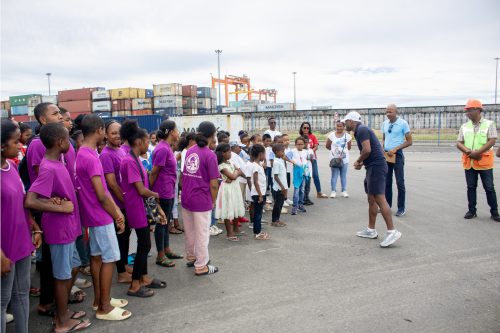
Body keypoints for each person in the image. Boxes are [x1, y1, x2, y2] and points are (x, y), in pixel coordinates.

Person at [25, 123, 91, 333]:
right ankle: (62, 322)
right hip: (59, 229)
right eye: (67, 139)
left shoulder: (57, 162)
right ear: (60, 142)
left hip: (69, 228)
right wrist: (61, 207)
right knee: (62, 275)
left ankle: (62, 310)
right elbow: (30, 200)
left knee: (72, 267)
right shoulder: (48, 167)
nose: (70, 143)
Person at [75, 114, 131, 320]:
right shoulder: (91, 157)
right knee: (109, 259)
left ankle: (99, 299)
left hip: (91, 216)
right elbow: (102, 193)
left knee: (97, 258)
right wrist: (117, 214)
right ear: (100, 130)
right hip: (101, 216)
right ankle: (104, 308)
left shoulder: (82, 153)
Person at [120, 120, 168, 297]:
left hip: (140, 206)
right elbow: (140, 190)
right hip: (135, 208)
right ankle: (134, 285)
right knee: (144, 245)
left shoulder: (135, 159)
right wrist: (156, 195)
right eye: (147, 141)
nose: (149, 144)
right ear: (139, 141)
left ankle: (144, 277)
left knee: (145, 244)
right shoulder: (129, 161)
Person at [1, 119, 40, 333]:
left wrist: (34, 226)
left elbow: (21, 202)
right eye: (15, 142)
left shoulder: (13, 166)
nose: (19, 146)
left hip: (22, 241)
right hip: (3, 247)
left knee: (22, 294)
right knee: (2, 300)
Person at [343, 111, 402, 247]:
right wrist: (363, 163)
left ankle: (392, 231)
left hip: (376, 167)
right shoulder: (362, 130)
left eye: (345, 121)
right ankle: (371, 230)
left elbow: (367, 150)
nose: (344, 124)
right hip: (373, 166)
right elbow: (377, 150)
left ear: (351, 121)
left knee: (379, 198)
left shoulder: (361, 129)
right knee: (371, 198)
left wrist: (358, 161)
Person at [181, 121, 220, 275]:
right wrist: (213, 200)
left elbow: (183, 175)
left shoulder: (190, 151)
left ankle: (192, 256)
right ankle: (201, 266)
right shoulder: (210, 155)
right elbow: (214, 183)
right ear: (212, 136)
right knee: (203, 233)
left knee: (190, 232)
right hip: (201, 199)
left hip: (187, 197)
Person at [456, 99, 499, 222]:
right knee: (471, 187)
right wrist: (469, 152)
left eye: (470, 110)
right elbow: (459, 143)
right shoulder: (464, 126)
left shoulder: (489, 124)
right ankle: (472, 211)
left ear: (478, 110)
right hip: (469, 162)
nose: (467, 113)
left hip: (484, 162)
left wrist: (477, 153)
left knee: (489, 188)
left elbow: (492, 140)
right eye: (467, 111)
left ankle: (494, 212)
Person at [100, 120, 131, 284]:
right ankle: (121, 273)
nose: (117, 135)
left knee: (126, 237)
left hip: (124, 202)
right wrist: (125, 201)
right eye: (113, 133)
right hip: (118, 204)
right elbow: (111, 183)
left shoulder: (119, 150)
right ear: (105, 135)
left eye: (119, 132)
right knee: (120, 238)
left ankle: (124, 265)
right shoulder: (106, 155)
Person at [149, 120, 183, 268]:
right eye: (176, 130)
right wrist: (151, 193)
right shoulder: (162, 149)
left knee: (166, 221)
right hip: (162, 191)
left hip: (168, 190)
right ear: (170, 132)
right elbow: (154, 172)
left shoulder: (166, 148)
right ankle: (160, 255)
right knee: (162, 223)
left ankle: (167, 250)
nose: (178, 133)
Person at [381, 104, 412, 216]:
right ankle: (387, 206)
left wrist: (395, 149)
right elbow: (384, 138)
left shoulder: (403, 123)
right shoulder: (384, 124)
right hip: (386, 155)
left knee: (400, 182)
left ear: (396, 112)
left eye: (390, 112)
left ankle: (401, 208)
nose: (388, 114)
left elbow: (409, 141)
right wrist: (382, 148)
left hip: (397, 155)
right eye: (386, 112)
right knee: (387, 182)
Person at [215, 143, 246, 241]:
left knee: (236, 206)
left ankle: (236, 229)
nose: (230, 153)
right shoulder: (221, 166)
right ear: (223, 153)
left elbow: (239, 173)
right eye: (228, 151)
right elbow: (233, 176)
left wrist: (235, 174)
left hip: (234, 187)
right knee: (228, 209)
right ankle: (229, 233)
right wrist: (236, 173)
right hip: (227, 189)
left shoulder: (230, 163)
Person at [300, 122, 327, 199]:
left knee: (315, 175)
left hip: (312, 159)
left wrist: (310, 152)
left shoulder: (313, 136)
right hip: (304, 161)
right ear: (301, 129)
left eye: (307, 128)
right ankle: (304, 195)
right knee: (305, 177)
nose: (306, 129)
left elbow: (316, 146)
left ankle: (319, 192)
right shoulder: (300, 138)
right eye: (304, 128)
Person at [250, 144, 271, 240]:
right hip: (258, 194)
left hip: (260, 193)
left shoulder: (259, 165)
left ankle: (258, 231)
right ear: (260, 154)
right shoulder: (255, 166)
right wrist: (260, 195)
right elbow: (255, 181)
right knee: (258, 214)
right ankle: (257, 233)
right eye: (264, 154)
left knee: (259, 214)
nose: (265, 156)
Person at [326, 121, 352, 198]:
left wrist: (342, 153)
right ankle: (333, 191)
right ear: (335, 126)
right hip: (334, 159)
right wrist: (335, 153)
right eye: (338, 126)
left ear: (344, 127)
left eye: (341, 126)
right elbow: (327, 146)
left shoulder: (348, 136)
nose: (339, 128)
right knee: (334, 175)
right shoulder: (331, 135)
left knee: (343, 175)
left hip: (345, 159)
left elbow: (349, 147)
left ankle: (344, 191)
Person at [290, 137, 308, 215]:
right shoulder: (293, 151)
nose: (300, 145)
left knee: (302, 190)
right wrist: (293, 162)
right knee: (296, 189)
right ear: (295, 144)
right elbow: (286, 156)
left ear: (304, 145)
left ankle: (301, 204)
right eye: (298, 144)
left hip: (304, 172)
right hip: (297, 172)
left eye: (301, 144)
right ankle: (295, 206)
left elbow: (306, 161)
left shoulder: (305, 152)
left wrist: (307, 172)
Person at [271, 143, 288, 227]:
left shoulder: (280, 160)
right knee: (277, 205)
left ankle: (277, 219)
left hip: (283, 186)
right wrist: (282, 187)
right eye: (282, 151)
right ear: (277, 152)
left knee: (280, 204)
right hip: (279, 188)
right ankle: (274, 221)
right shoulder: (276, 162)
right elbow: (276, 176)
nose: (283, 153)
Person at [302, 135, 315, 206]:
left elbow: (313, 160)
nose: (306, 144)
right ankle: (302, 199)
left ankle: (307, 198)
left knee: (308, 186)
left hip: (309, 170)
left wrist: (311, 158)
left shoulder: (310, 150)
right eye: (305, 142)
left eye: (307, 142)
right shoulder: (301, 150)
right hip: (303, 171)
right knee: (303, 186)